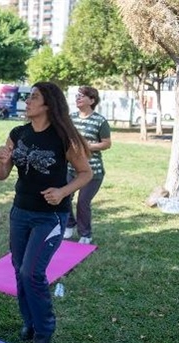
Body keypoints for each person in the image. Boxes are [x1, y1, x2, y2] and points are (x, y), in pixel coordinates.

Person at [0, 82, 93, 343]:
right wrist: (2, 162)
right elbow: (1, 176)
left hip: (50, 217)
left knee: (31, 272)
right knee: (18, 269)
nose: (27, 101)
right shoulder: (18, 133)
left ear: (48, 104)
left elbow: (86, 173)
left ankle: (45, 327)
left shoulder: (63, 137)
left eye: (33, 98)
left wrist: (62, 192)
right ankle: (30, 322)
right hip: (20, 213)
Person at [64, 86, 111, 244]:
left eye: (82, 96)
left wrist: (88, 146)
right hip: (71, 168)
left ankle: (85, 234)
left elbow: (106, 143)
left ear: (91, 100)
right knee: (65, 197)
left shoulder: (100, 121)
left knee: (83, 202)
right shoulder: (71, 118)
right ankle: (69, 225)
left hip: (92, 171)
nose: (78, 98)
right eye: (77, 96)